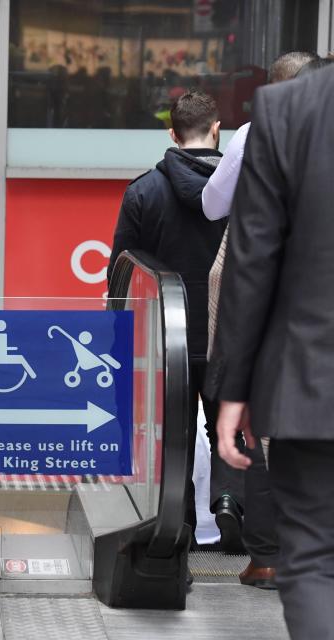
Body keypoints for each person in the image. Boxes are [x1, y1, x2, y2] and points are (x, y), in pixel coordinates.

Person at [206, 64, 334, 640]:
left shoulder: (283, 113)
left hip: (314, 377)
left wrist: (235, 386)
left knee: (311, 558)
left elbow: (250, 260)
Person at [107, 90, 228, 544]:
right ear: (217, 129)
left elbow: (121, 266)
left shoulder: (142, 190)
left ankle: (176, 528)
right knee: (227, 432)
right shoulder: (244, 190)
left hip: (166, 339)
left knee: (172, 436)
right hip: (226, 335)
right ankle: (229, 509)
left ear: (172, 133)